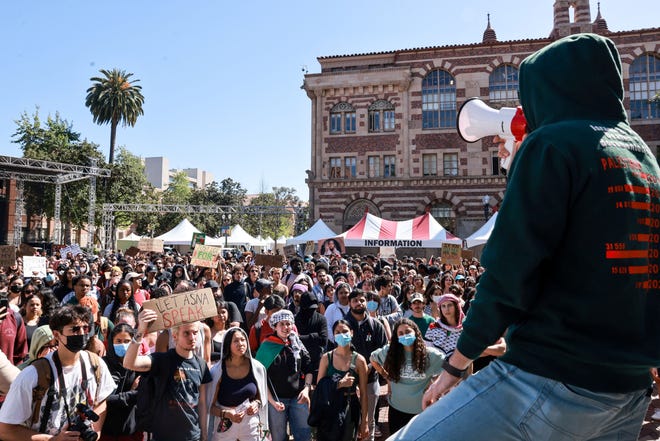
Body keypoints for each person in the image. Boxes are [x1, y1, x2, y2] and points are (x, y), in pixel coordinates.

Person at [388, 33, 660, 441]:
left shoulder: (552, 144)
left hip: (549, 376)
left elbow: (511, 267)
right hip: (628, 388)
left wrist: (456, 364)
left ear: (547, 87)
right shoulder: (642, 154)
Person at [0, 305, 116, 440]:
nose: (82, 334)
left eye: (86, 328)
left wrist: (94, 433)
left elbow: (102, 402)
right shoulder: (33, 375)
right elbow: (5, 430)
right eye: (75, 329)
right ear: (56, 334)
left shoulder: (96, 364)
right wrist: (53, 440)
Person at [123, 309, 212, 441]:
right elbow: (130, 363)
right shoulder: (162, 360)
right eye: (186, 333)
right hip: (163, 436)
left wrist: (204, 434)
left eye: (195, 333)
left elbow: (202, 402)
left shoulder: (201, 365)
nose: (192, 338)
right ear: (175, 336)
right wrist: (141, 330)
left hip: (192, 436)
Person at [371, 319, 444, 434]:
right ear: (396, 336)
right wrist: (387, 377)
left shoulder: (430, 354)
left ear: (416, 332)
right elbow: (373, 358)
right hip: (396, 409)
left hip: (421, 410)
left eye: (408, 331)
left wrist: (435, 384)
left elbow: (448, 367)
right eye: (400, 333)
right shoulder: (391, 352)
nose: (405, 335)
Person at [255, 309, 313, 441]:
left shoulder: (296, 343)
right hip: (276, 400)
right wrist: (272, 401)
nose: (286, 327)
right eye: (282, 324)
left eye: (288, 324)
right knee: (278, 437)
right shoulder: (267, 346)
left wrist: (306, 389)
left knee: (304, 435)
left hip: (298, 398)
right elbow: (260, 377)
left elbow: (308, 367)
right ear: (275, 326)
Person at [204, 327, 269, 441]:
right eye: (236, 341)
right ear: (228, 344)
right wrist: (227, 414)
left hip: (251, 424)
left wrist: (256, 404)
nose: (241, 344)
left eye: (243, 340)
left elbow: (261, 397)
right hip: (224, 424)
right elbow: (209, 407)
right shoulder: (217, 371)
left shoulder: (257, 368)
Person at [344, 289, 388, 441]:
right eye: (355, 300)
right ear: (349, 303)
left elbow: (383, 350)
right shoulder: (343, 325)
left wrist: (369, 367)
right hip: (348, 381)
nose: (359, 303)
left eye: (362, 300)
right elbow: (337, 350)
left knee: (369, 421)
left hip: (371, 379)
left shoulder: (376, 325)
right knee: (349, 421)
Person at [314, 319, 369, 441]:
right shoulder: (326, 358)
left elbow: (364, 394)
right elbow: (320, 388)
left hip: (350, 407)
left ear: (352, 333)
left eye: (345, 331)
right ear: (333, 335)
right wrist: (339, 384)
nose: (341, 334)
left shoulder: (359, 360)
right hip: (330, 407)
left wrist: (364, 421)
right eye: (337, 332)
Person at [101, 323, 143, 441]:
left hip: (130, 430)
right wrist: (132, 392)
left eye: (127, 341)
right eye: (118, 341)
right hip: (106, 430)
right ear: (111, 342)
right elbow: (104, 400)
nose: (123, 345)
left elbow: (143, 394)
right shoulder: (102, 364)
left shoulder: (139, 365)